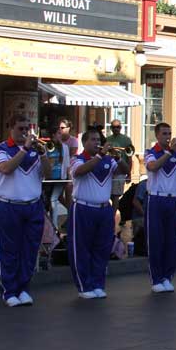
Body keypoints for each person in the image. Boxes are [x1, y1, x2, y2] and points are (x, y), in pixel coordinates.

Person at [0, 116, 51, 307]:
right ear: (11, 128)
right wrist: (25, 149)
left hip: (33, 205)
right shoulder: (2, 148)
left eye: (27, 128)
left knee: (29, 250)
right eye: (21, 128)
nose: (25, 132)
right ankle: (9, 291)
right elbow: (6, 168)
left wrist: (42, 154)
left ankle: (24, 288)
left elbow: (48, 173)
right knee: (9, 249)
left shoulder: (36, 150)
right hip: (9, 205)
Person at [66, 128, 120, 299]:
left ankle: (97, 283)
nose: (97, 143)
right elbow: (79, 172)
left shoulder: (107, 159)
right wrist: (99, 156)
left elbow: (123, 170)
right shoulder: (77, 159)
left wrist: (119, 157)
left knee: (102, 249)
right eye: (93, 140)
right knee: (81, 248)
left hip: (104, 209)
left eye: (99, 140)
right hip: (83, 207)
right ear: (84, 142)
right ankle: (84, 286)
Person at [144, 122, 176, 293]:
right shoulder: (151, 153)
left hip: (173, 200)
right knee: (156, 240)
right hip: (156, 199)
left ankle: (167, 276)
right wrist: (168, 152)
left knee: (172, 241)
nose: (167, 137)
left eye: (169, 133)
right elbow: (153, 167)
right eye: (164, 134)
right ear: (157, 136)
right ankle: (156, 278)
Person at [104, 120, 134, 207]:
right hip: (109, 171)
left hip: (121, 171)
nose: (116, 129)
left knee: (116, 196)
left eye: (118, 127)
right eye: (114, 127)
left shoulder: (126, 139)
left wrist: (129, 174)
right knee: (108, 195)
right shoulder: (107, 139)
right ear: (111, 128)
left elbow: (129, 157)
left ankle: (113, 217)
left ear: (121, 128)